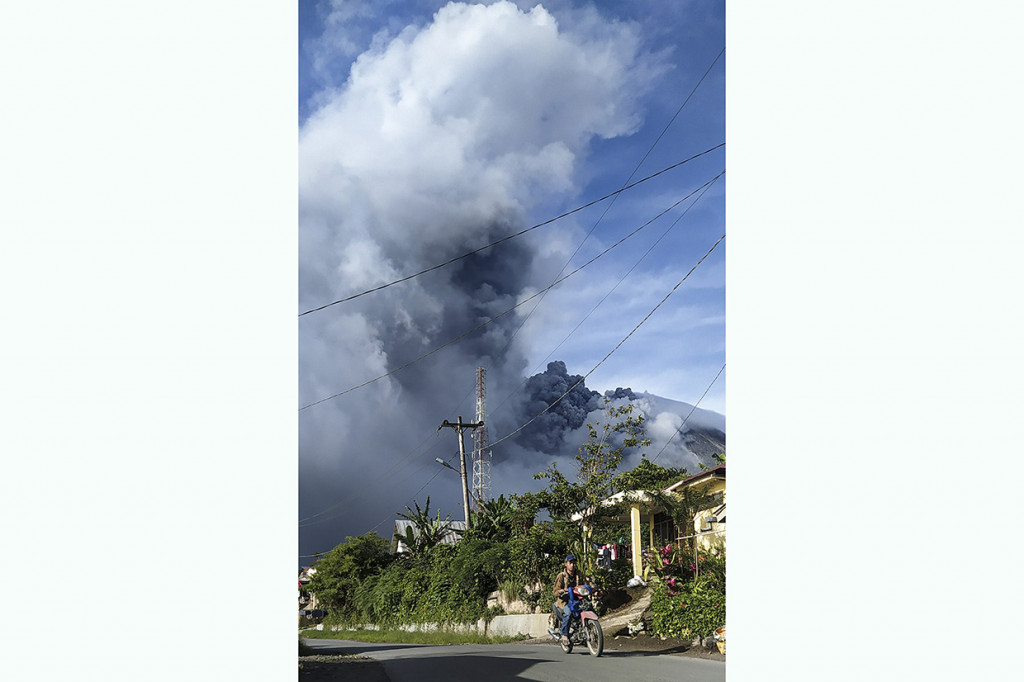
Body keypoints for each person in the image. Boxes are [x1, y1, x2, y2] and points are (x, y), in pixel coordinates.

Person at [550, 554, 586, 644]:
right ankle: (564, 634)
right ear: (566, 564)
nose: (572, 565)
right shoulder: (561, 576)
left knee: (588, 608)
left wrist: (595, 590)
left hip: (578, 599)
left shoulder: (579, 575)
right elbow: (555, 591)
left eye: (574, 563)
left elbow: (587, 584)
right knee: (569, 613)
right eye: (570, 563)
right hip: (565, 601)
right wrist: (561, 591)